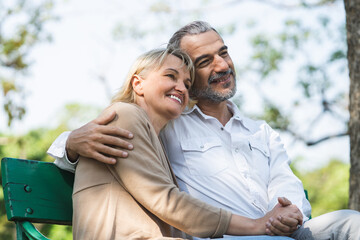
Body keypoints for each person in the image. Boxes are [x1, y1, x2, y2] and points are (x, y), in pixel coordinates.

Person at [48, 21, 360, 239]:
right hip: (231, 234)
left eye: (223, 53)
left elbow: (285, 181)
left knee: (350, 224)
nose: (223, 66)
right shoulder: (169, 126)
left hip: (283, 230)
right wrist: (71, 142)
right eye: (205, 61)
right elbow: (118, 132)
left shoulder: (261, 132)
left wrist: (288, 210)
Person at [69, 47, 299, 240]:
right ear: (138, 84)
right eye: (170, 76)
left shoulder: (156, 137)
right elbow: (164, 200)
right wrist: (256, 225)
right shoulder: (124, 115)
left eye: (187, 84)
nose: (181, 87)